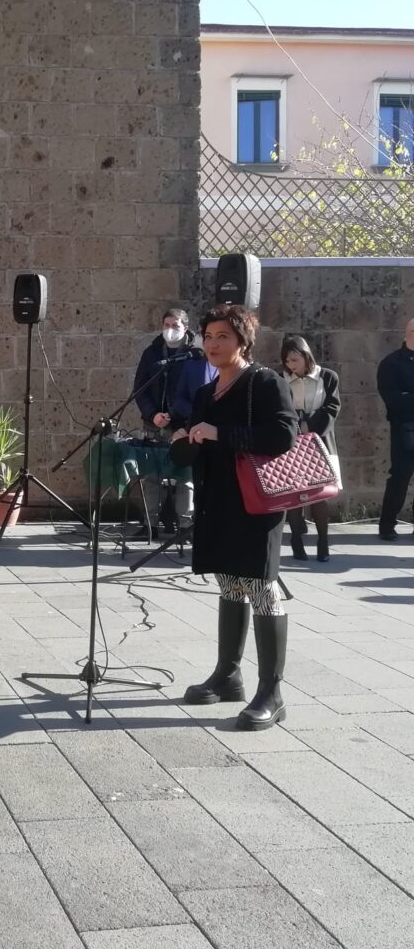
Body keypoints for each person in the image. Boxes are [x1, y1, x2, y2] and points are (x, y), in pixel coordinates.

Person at [172, 304, 297, 731]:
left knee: (262, 586)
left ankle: (272, 692)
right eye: (207, 336)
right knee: (229, 582)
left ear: (242, 341)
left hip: (257, 503)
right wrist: (184, 439)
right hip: (218, 500)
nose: (212, 344)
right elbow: (198, 445)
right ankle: (228, 674)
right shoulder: (207, 393)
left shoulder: (264, 382)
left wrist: (220, 434)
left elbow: (283, 435)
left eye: (222, 336)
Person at [132, 308, 198, 537]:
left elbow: (200, 391)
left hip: (183, 426)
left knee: (185, 476)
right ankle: (150, 523)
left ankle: (186, 524)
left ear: (185, 328)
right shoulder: (151, 353)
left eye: (175, 326)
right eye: (166, 325)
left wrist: (181, 420)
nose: (170, 330)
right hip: (154, 424)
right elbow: (140, 389)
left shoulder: (194, 355)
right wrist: (153, 415)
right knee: (151, 475)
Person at [281, 335, 341, 562]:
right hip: (293, 441)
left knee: (319, 494)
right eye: (287, 361)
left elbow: (332, 407)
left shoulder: (327, 377)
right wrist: (296, 424)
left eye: (295, 360)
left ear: (306, 356)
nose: (291, 365)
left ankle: (323, 540)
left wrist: (309, 423)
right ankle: (296, 538)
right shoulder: (282, 379)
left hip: (320, 441)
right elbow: (282, 407)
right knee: (295, 494)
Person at [377, 318, 414, 541]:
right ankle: (387, 525)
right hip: (404, 430)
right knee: (400, 477)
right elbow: (393, 399)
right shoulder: (391, 363)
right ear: (407, 333)